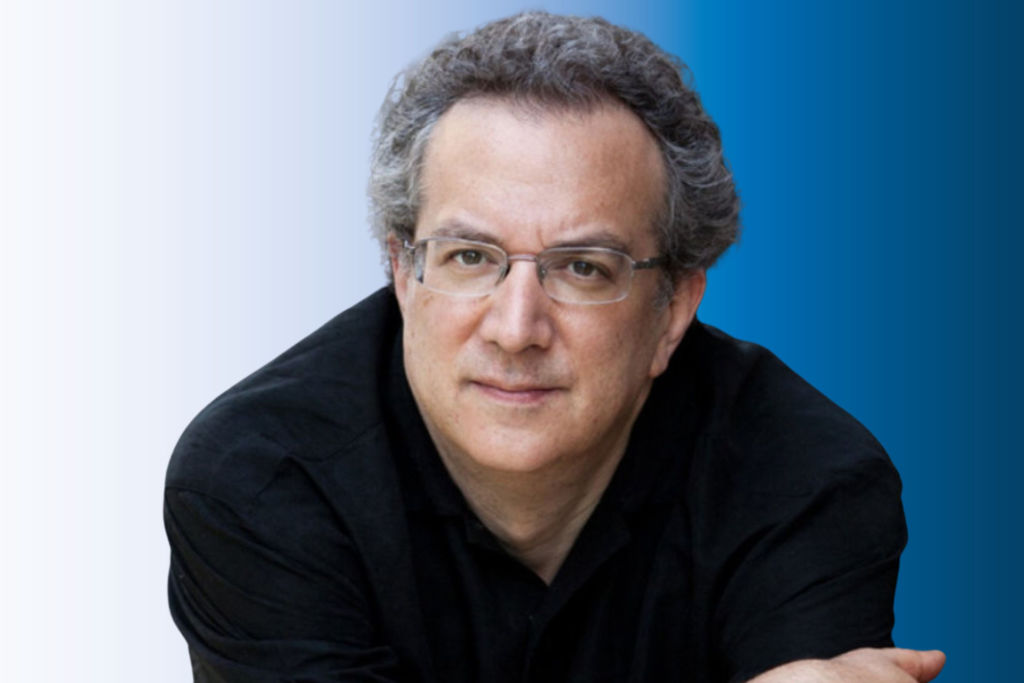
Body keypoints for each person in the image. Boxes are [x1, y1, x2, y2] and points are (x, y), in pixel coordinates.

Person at [164, 11, 944, 683]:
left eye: (583, 268)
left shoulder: (807, 480)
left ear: (674, 309)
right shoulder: (260, 478)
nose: (515, 328)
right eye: (470, 257)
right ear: (403, 272)